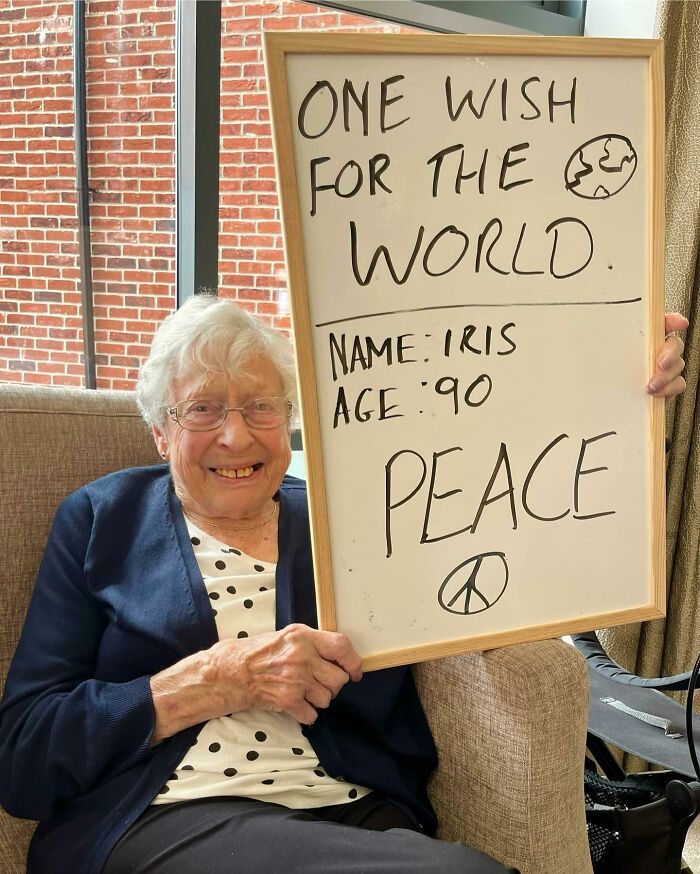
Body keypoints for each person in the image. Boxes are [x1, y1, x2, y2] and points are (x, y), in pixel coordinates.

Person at [0, 295, 687, 874]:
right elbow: (24, 754)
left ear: (289, 421)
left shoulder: (355, 520)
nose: (236, 437)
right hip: (165, 818)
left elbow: (510, 533)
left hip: (353, 813)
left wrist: (610, 393)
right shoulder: (102, 520)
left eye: (260, 407)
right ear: (159, 431)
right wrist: (213, 680)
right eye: (202, 410)